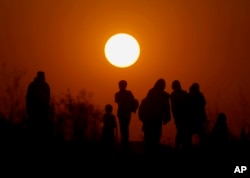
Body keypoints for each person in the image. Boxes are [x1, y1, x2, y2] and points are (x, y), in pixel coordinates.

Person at [138, 79, 171, 154]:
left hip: (152, 119)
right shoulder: (160, 94)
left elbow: (166, 106)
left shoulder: (155, 93)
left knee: (152, 137)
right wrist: (166, 117)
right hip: (152, 119)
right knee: (153, 137)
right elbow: (166, 106)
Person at [26, 71, 51, 143]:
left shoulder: (46, 86)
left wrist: (47, 111)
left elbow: (48, 100)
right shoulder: (32, 86)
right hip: (34, 113)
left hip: (43, 114)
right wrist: (29, 111)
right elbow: (28, 98)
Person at [170, 80, 192, 150]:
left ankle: (182, 147)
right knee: (181, 132)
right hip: (181, 117)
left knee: (183, 132)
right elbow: (173, 108)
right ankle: (180, 147)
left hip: (184, 117)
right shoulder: (175, 95)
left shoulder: (178, 94)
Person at [115, 80, 136, 150]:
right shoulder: (118, 94)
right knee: (123, 128)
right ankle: (124, 142)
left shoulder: (128, 93)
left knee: (125, 127)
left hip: (126, 112)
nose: (120, 86)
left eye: (121, 85)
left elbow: (134, 101)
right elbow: (118, 102)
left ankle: (125, 143)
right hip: (122, 113)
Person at [188, 83, 207, 147]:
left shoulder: (191, 95)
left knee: (198, 132)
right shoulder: (197, 95)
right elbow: (204, 103)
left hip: (196, 117)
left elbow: (204, 103)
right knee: (199, 132)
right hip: (196, 117)